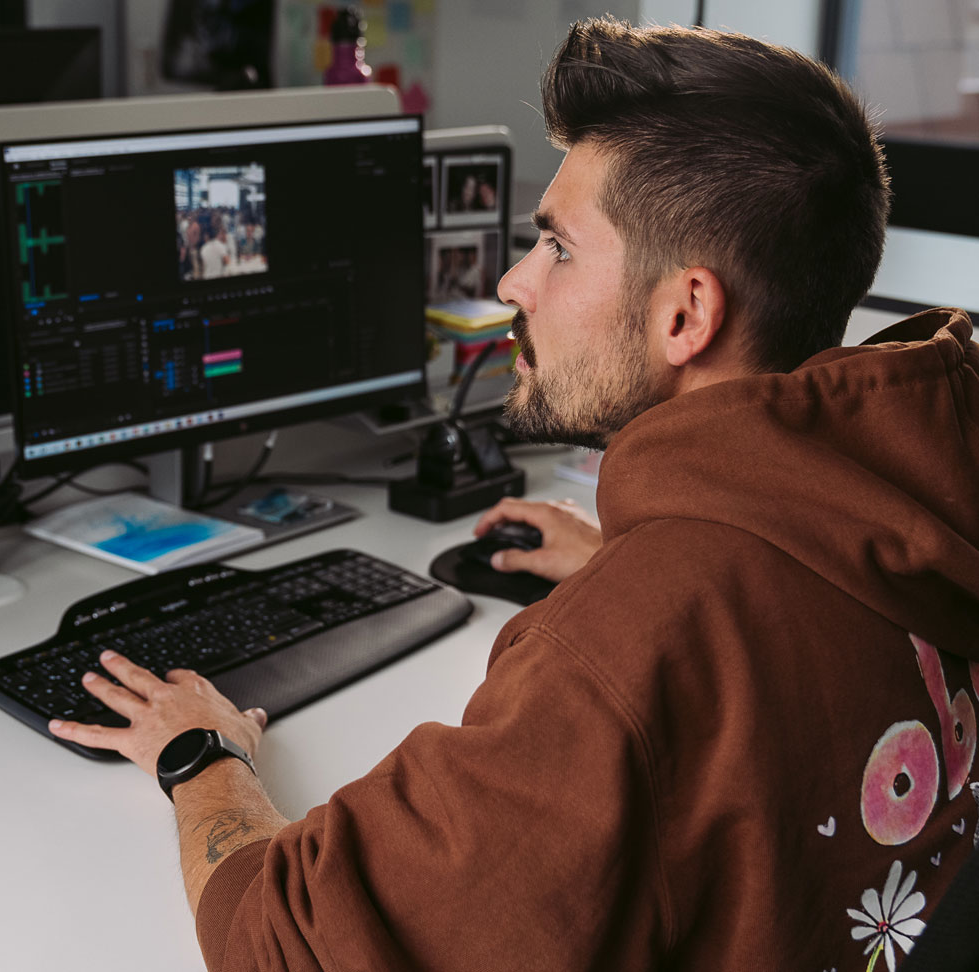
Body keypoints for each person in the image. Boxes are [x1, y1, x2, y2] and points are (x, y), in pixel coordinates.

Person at [50, 18, 979, 970]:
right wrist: (647, 558)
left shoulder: (615, 651)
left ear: (686, 314)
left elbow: (283, 948)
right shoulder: (908, 492)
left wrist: (202, 757)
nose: (511, 280)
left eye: (559, 248)